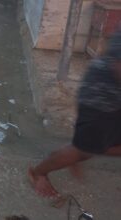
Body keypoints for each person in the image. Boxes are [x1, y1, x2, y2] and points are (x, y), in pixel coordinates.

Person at [28, 30, 121, 198]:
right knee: (84, 149)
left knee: (92, 145)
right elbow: (118, 67)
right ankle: (38, 172)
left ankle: (79, 149)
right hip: (102, 95)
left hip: (111, 94)